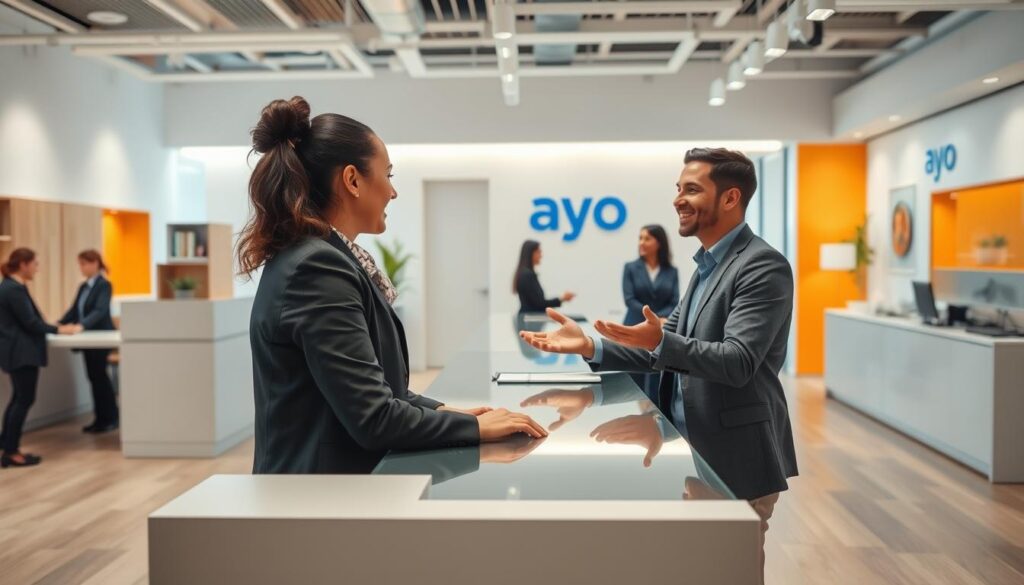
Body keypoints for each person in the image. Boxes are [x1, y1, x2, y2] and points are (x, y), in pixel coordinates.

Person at [520, 148, 797, 584]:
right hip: (694, 447)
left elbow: (738, 361)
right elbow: (661, 353)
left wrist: (664, 342)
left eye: (692, 189)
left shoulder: (762, 266)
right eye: (678, 189)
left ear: (730, 198)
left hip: (734, 459)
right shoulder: (707, 265)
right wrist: (590, 346)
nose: (678, 200)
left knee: (729, 571)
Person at [239, 96, 547, 474]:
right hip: (316, 499)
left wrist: (445, 411)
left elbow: (379, 391)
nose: (393, 191)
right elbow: (374, 418)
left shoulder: (320, 257)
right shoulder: (317, 268)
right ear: (352, 180)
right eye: (388, 175)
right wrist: (475, 427)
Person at [0, 248, 77, 467]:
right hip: (21, 353)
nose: (37, 269)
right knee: (23, 399)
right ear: (23, 264)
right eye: (35, 264)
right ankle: (11, 451)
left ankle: (8, 445)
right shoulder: (13, 289)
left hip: (16, 352)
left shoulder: (10, 287)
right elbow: (31, 323)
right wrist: (59, 329)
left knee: (18, 398)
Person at [59, 249, 118, 433]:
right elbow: (74, 310)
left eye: (84, 264)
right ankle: (99, 419)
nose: (81, 268)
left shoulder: (104, 285)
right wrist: (58, 324)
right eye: (80, 264)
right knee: (93, 377)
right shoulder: (83, 287)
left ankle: (109, 418)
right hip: (87, 339)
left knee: (99, 377)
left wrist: (81, 326)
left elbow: (99, 311)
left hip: (100, 337)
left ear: (95, 263)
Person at [622, 224, 680, 399]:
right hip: (634, 326)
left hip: (661, 331)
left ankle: (655, 420)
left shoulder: (671, 271)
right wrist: (652, 316)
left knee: (656, 379)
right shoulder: (631, 268)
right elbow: (629, 300)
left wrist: (659, 319)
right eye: (640, 238)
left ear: (659, 242)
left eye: (647, 238)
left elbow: (674, 301)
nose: (642, 242)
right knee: (634, 380)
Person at [513, 240, 575, 313]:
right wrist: (562, 299)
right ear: (530, 253)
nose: (541, 255)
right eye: (538, 252)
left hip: (529, 318)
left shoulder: (525, 273)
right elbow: (539, 304)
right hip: (530, 320)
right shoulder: (527, 275)